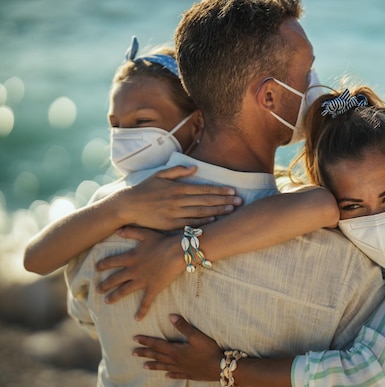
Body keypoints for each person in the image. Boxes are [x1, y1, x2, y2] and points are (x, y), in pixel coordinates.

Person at [62, 1, 385, 387]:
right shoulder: (340, 264)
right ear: (269, 96)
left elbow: (85, 316)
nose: (314, 86)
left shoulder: (102, 220)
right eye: (306, 73)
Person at [129, 86, 385, 387]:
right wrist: (179, 248)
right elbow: (306, 206)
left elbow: (365, 382)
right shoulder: (323, 224)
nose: (376, 219)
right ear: (327, 198)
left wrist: (224, 367)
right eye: (352, 205)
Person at [23, 36, 242, 276]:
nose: (123, 136)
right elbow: (35, 261)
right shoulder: (115, 198)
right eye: (115, 125)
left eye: (142, 121)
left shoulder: (224, 192)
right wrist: (121, 207)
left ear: (196, 123)